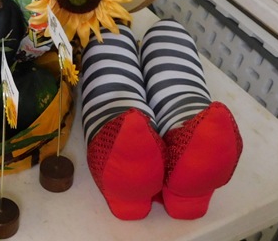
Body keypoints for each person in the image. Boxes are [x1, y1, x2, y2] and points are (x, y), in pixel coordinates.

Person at [80, 19, 244, 220]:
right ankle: (192, 133)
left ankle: (121, 138)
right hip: (182, 100)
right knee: (169, 41)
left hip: (98, 29)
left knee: (109, 67)